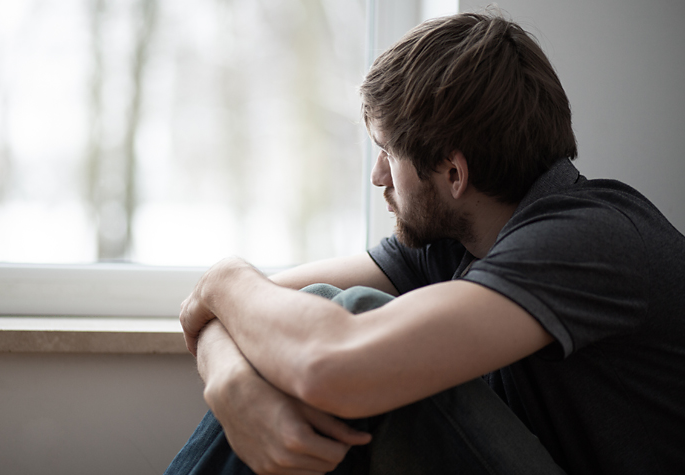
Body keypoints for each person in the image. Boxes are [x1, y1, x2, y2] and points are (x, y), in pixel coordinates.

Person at [166, 11, 685, 475]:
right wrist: (233, 386)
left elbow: (326, 361)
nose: (377, 177)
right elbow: (240, 310)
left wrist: (224, 276)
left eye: (387, 154)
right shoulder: (462, 240)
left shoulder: (589, 238)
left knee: (351, 329)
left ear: (454, 173)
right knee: (314, 311)